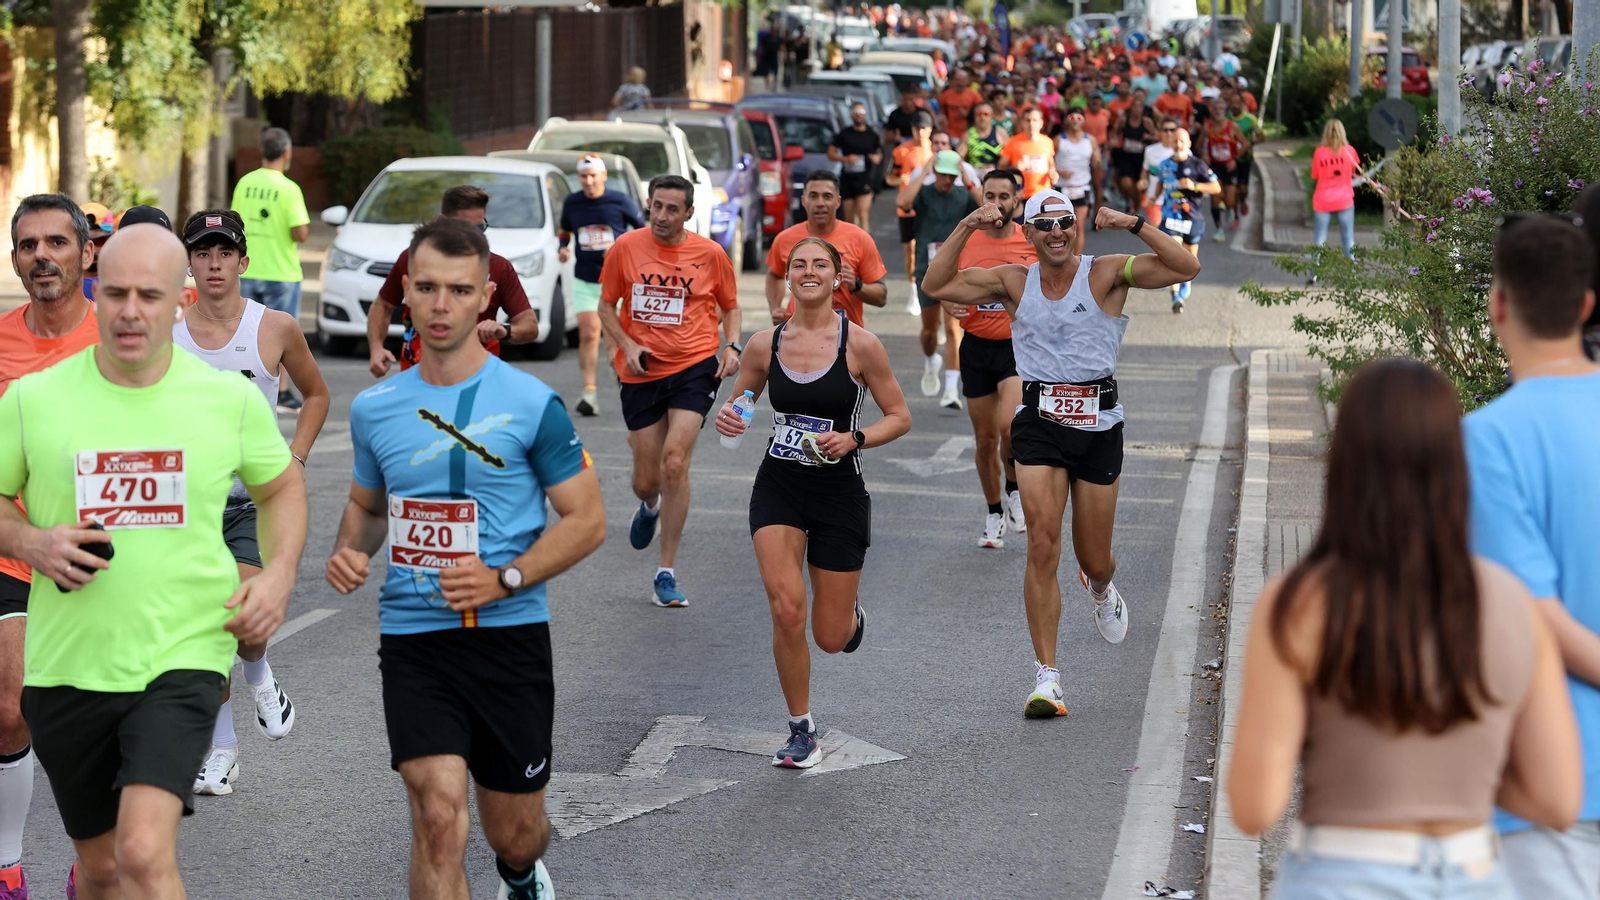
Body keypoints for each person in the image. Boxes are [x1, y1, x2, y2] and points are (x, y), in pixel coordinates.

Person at [0, 222, 307, 900]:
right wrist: (31, 542)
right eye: (114, 293)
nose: (131, 311)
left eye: (149, 294)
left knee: (142, 850)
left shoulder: (224, 399)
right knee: (103, 870)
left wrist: (278, 576)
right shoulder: (34, 400)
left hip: (181, 656)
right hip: (66, 664)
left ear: (180, 300)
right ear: (95, 292)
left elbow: (281, 486)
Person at [1228, 358, 1582, 898]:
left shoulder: (1300, 603)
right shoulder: (1514, 605)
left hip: (1338, 875)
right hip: (1475, 877)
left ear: (1344, 464)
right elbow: (1557, 798)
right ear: (1454, 465)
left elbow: (1255, 807)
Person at [326, 218, 605, 900]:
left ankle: (520, 872)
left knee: (514, 831)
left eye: (458, 290)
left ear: (486, 298)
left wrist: (506, 577)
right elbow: (367, 507)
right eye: (426, 288)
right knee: (438, 812)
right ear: (407, 295)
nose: (441, 304)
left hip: (509, 639)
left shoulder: (532, 403)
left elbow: (589, 519)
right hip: (416, 639)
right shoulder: (375, 407)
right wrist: (349, 552)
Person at [919, 192, 1200, 718]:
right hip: (1040, 422)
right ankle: (1047, 679)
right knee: (1043, 545)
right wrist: (966, 224)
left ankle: (1099, 586)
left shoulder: (1107, 272)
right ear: (1027, 233)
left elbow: (1188, 265)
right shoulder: (1012, 280)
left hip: (1098, 425)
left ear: (1075, 230)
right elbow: (935, 285)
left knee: (1093, 556)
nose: (1055, 232)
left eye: (1064, 224)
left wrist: (1135, 223)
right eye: (1044, 224)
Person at [713, 237, 911, 769]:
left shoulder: (861, 345)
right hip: (779, 485)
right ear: (787, 276)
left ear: (836, 276)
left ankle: (848, 617)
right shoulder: (764, 344)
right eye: (798, 264)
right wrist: (731, 416)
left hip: (839, 490)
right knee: (786, 607)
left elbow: (899, 415)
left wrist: (856, 439)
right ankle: (801, 728)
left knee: (828, 635)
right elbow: (741, 401)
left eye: (819, 264)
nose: (808, 272)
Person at [1464, 215, 1600, 899]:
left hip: (1550, 791)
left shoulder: (1483, 441)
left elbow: (1531, 614)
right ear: (1585, 306)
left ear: (1497, 305)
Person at [175, 209, 330, 796]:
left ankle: (261, 671)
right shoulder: (167, 333)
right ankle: (223, 749)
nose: (213, 264)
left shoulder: (276, 327)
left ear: (244, 261)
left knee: (244, 620)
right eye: (201, 253)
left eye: (223, 253)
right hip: (187, 507)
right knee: (210, 627)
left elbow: (316, 394)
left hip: (251, 503)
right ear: (189, 262)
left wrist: (295, 459)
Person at [0, 194, 101, 897]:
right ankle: (6, 866)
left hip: (105, 561)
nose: (43, 255)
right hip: (13, 547)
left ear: (86, 252)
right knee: (8, 706)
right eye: (29, 245)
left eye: (57, 243)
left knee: (87, 722)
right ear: (14, 260)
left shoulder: (123, 336)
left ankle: (87, 865)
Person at [597, 175, 741, 608]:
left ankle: (666, 572)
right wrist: (626, 345)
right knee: (647, 480)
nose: (661, 216)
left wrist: (731, 346)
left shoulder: (710, 254)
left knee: (675, 461)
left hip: (694, 365)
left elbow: (730, 305)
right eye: (655, 206)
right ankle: (650, 505)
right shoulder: (626, 248)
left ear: (689, 214)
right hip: (641, 370)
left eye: (671, 209)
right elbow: (606, 305)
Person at [368, 185, 539, 380]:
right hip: (418, 378)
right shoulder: (414, 259)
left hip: (478, 379)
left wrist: (504, 331)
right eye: (464, 228)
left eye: (480, 228)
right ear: (442, 222)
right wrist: (376, 348)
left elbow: (529, 326)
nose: (474, 237)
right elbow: (383, 305)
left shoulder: (498, 267)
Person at [946, 170, 1034, 548]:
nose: (996, 203)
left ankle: (1013, 485)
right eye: (989, 195)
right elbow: (944, 283)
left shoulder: (1029, 241)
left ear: (1017, 201)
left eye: (1004, 195)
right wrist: (951, 303)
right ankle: (994, 510)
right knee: (984, 441)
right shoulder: (968, 240)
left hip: (1015, 347)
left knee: (1009, 428)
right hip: (976, 346)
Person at [558, 156, 645, 417]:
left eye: (593, 175)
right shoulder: (573, 202)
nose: (589, 181)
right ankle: (589, 391)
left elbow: (643, 231)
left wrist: (622, 248)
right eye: (584, 176)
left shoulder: (620, 201)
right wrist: (562, 247)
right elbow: (565, 230)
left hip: (617, 280)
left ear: (604, 176)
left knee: (614, 339)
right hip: (585, 278)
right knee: (588, 333)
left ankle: (617, 365)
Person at [231, 126, 310, 412]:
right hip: (281, 272)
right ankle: (282, 393)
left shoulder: (244, 184)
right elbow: (300, 233)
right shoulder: (289, 189)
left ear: (262, 152)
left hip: (248, 269)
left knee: (245, 333)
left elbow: (235, 223)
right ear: (287, 153)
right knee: (282, 335)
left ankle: (245, 387)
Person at [897, 150, 981, 410]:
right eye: (943, 174)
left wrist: (967, 178)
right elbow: (903, 202)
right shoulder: (924, 193)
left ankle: (951, 390)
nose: (947, 180)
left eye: (951, 175)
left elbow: (986, 209)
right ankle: (931, 358)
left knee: (954, 329)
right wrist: (923, 173)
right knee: (929, 332)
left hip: (956, 271)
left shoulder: (962, 195)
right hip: (926, 268)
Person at [764, 170, 889, 327]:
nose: (820, 203)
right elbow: (774, 275)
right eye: (813, 196)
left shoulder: (859, 239)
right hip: (797, 334)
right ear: (803, 200)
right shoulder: (785, 239)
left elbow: (881, 297)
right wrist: (775, 308)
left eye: (827, 196)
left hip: (846, 337)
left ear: (838, 201)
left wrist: (857, 285)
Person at [1153, 127, 1220, 312]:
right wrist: (1153, 196)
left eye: (1182, 141)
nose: (1178, 144)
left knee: (1190, 261)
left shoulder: (1198, 164)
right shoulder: (1164, 164)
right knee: (1173, 257)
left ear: (1189, 143)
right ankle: (1175, 297)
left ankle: (1185, 286)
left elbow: (1216, 188)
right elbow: (1160, 183)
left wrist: (1195, 185)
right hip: (1170, 217)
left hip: (1192, 218)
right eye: (1175, 141)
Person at [887, 112, 936, 312]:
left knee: (932, 249)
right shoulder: (901, 151)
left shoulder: (936, 151)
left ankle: (931, 288)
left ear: (930, 130)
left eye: (923, 128)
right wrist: (902, 180)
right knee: (912, 251)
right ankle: (913, 291)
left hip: (930, 208)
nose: (920, 132)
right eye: (916, 128)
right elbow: (889, 178)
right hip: (907, 209)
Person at [828, 103, 884, 232]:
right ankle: (850, 246)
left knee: (863, 214)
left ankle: (864, 247)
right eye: (855, 112)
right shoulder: (845, 134)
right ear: (851, 115)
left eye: (861, 111)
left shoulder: (872, 135)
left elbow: (879, 152)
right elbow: (830, 153)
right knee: (849, 218)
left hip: (865, 178)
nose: (858, 115)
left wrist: (876, 158)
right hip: (848, 179)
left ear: (866, 114)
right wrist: (845, 159)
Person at [1053, 110, 1103, 254]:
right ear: (1066, 120)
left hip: (1082, 186)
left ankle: (1077, 259)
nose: (1075, 120)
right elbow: (1049, 160)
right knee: (1061, 226)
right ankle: (1062, 255)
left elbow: (1096, 160)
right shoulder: (1058, 140)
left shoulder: (1090, 140)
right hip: (1062, 187)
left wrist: (1097, 162)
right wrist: (1059, 171)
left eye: (1079, 117)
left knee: (1079, 225)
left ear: (1084, 121)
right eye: (1071, 117)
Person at [1311, 119, 1361, 261]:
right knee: (1348, 237)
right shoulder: (1350, 151)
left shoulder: (1319, 152)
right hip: (1344, 199)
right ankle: (1352, 272)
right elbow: (1353, 172)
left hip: (1322, 199)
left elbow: (1315, 175)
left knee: (1320, 238)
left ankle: (1315, 273)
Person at [1200, 98, 1248, 242]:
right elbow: (1198, 145)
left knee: (1230, 199)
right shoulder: (1207, 127)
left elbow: (1245, 144)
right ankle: (1219, 229)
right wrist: (1203, 154)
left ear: (1225, 110)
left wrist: (1235, 159)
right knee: (1215, 197)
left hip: (1229, 165)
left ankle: (1229, 209)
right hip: (1214, 166)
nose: (1218, 111)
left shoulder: (1233, 127)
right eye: (1215, 109)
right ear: (1211, 111)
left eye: (1221, 108)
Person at [998, 107, 1057, 200]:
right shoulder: (1013, 142)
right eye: (1028, 120)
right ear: (1022, 123)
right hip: (1020, 195)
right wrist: (1014, 168)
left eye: (1035, 120)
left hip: (1043, 195)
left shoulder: (1047, 142)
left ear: (1041, 123)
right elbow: (1000, 168)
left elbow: (1051, 165)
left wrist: (1053, 173)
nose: (1031, 124)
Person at [1111, 95, 1157, 213]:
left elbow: (1156, 136)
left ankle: (1135, 204)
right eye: (1135, 106)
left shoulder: (1147, 122)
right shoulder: (1123, 120)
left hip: (1141, 157)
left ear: (1142, 109)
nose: (1137, 109)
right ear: (1131, 108)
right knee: (1126, 183)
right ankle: (1131, 200)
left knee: (1138, 184)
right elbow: (1114, 133)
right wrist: (1114, 141)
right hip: (1126, 155)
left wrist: (1149, 136)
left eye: (1139, 107)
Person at [1226, 90, 1261, 218]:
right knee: (1232, 189)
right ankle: (1234, 215)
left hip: (1245, 158)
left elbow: (1261, 136)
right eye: (1232, 102)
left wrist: (1249, 143)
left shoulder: (1251, 120)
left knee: (1242, 189)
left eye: (1237, 102)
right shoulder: (1226, 119)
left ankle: (1243, 200)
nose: (1234, 105)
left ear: (1242, 104)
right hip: (1229, 159)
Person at [959, 102, 1009, 173]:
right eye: (979, 114)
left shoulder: (1001, 133)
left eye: (986, 114)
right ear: (974, 116)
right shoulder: (967, 135)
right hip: (974, 178)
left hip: (996, 176)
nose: (982, 117)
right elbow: (960, 158)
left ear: (992, 115)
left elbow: (1009, 157)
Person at [939, 68, 985, 139]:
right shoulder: (946, 95)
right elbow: (941, 108)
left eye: (963, 80)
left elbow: (982, 110)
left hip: (968, 132)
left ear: (967, 80)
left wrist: (968, 115)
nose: (960, 83)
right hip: (950, 132)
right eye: (958, 80)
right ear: (954, 81)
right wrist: (943, 117)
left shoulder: (974, 95)